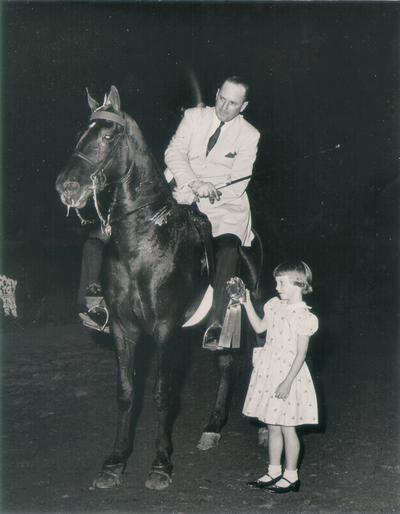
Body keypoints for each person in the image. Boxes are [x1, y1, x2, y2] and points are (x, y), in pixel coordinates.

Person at [165, 76, 260, 349]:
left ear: (243, 107)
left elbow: (240, 181)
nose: (224, 106)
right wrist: (195, 183)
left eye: (233, 104)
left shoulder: (250, 134)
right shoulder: (194, 116)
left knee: (228, 247)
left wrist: (210, 190)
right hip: (181, 191)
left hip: (223, 206)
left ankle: (218, 324)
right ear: (216, 93)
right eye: (221, 98)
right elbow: (174, 153)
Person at [240, 260, 319, 493]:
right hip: (270, 370)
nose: (277, 287)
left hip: (289, 374)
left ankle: (291, 475)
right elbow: (259, 328)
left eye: (282, 282)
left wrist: (287, 382)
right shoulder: (274, 305)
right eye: (276, 282)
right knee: (272, 424)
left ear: (299, 284)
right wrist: (245, 303)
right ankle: (273, 470)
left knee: (287, 426)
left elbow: (301, 354)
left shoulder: (304, 316)